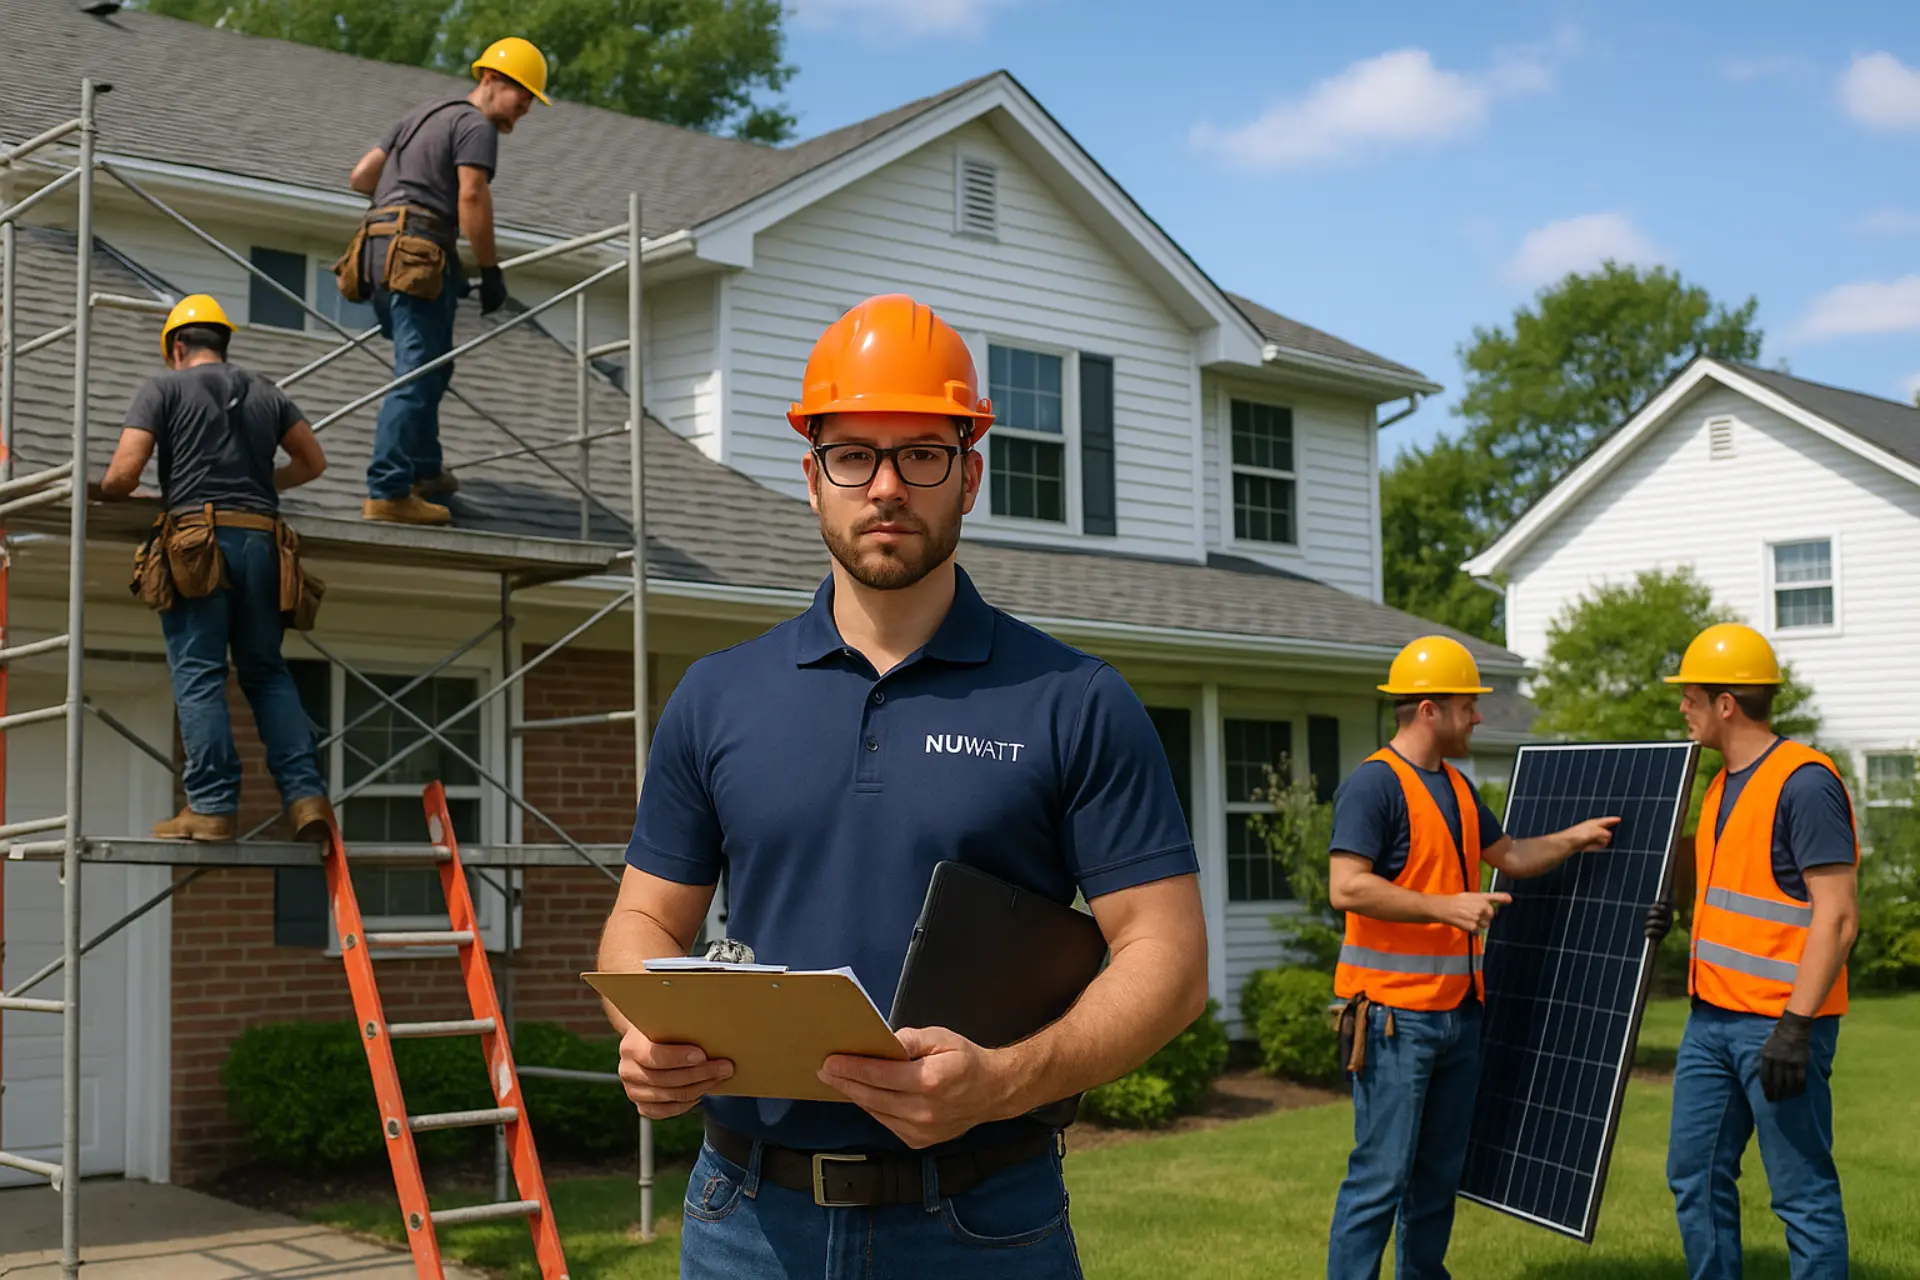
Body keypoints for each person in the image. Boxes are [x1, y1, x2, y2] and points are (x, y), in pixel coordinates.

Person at [599, 294, 1208, 1278]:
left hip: (983, 1218)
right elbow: (643, 923)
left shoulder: (1074, 700)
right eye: (855, 454)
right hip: (744, 1220)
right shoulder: (717, 696)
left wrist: (1006, 1078)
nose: (886, 486)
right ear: (812, 476)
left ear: (970, 473)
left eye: (921, 452)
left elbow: (1169, 962)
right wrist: (649, 1029)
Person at [1325, 636, 1619, 1280]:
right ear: (1429, 710)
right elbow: (1345, 886)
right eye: (1468, 706)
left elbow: (1510, 856)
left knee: (1436, 1180)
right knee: (1379, 1179)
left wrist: (1574, 839)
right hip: (1393, 1020)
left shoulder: (1456, 786)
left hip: (1458, 1018)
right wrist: (1445, 907)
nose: (1479, 717)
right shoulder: (1375, 784)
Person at [1659, 623, 1858, 1280]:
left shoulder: (1805, 782)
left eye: (1689, 697)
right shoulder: (1719, 784)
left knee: (1801, 1195)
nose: (1681, 708)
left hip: (1780, 1026)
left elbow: (1838, 916)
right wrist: (1676, 914)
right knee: (1693, 1176)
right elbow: (1741, 895)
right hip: (1710, 1021)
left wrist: (1797, 1027)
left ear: (1725, 703)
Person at [100, 295, 333, 844]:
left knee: (201, 672)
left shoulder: (164, 388)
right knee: (266, 672)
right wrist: (257, 487)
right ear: (222, 342)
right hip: (263, 544)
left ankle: (210, 806)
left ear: (177, 347)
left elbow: (125, 472)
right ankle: (306, 798)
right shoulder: (266, 390)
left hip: (197, 543)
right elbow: (313, 462)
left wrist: (110, 489)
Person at [345, 36, 549, 525]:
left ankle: (424, 471)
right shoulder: (476, 126)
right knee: (417, 371)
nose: (520, 115)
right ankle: (389, 488)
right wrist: (491, 269)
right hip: (417, 253)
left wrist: (410, 188)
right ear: (490, 79)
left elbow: (361, 177)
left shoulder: (420, 116)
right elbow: (472, 196)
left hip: (374, 252)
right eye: (520, 100)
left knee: (432, 366)